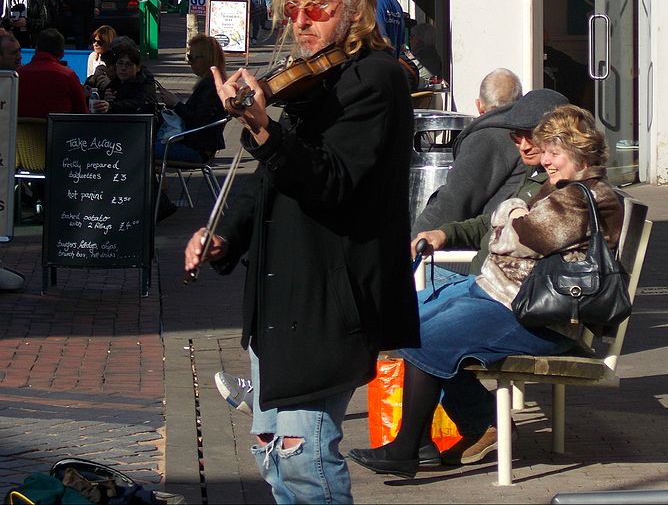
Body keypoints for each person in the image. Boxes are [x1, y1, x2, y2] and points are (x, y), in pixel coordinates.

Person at [184, 0, 419, 504]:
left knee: (306, 457)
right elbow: (269, 180)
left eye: (316, 8)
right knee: (274, 454)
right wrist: (225, 234)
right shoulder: (316, 83)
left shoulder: (377, 78)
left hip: (329, 296)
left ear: (353, 6)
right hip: (281, 298)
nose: (302, 23)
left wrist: (266, 131)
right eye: (292, 11)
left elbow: (331, 182)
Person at [214, 87, 564, 419]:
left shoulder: (559, 185)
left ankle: (468, 422)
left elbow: (462, 206)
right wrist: (444, 233)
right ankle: (279, 392)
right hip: (487, 275)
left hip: (502, 287)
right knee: (391, 317)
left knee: (393, 318)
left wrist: (422, 240)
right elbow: (480, 220)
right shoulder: (535, 170)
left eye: (529, 136)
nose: (522, 144)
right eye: (515, 135)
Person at [348, 105, 624, 478]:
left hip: (541, 317)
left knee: (423, 337)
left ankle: (408, 449)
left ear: (578, 152)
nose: (545, 160)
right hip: (508, 297)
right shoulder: (561, 188)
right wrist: (510, 219)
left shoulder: (587, 197)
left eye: (553, 153)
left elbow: (525, 238)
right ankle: (432, 440)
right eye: (545, 152)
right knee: (414, 323)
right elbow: (508, 233)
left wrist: (509, 214)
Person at [412, 84, 570, 236]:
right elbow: (486, 223)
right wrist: (442, 235)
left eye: (532, 137)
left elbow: (451, 205)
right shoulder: (533, 167)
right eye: (515, 137)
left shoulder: (488, 140)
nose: (523, 147)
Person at [155, 34, 226, 163]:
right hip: (196, 144)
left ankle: (152, 183)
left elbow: (198, 120)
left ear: (205, 59)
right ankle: (156, 183)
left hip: (197, 148)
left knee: (144, 148)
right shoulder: (210, 83)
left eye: (191, 58)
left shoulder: (211, 87)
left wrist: (176, 104)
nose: (189, 62)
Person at [18, 28, 87, 117]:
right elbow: (82, 115)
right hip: (59, 130)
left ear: (36, 49)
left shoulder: (17, 75)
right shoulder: (68, 76)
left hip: (20, 130)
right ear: (62, 53)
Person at [90, 45, 157, 117]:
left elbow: (139, 103)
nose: (123, 68)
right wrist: (105, 99)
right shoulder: (116, 81)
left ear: (138, 68)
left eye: (129, 64)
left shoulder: (145, 82)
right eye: (120, 63)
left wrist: (111, 105)